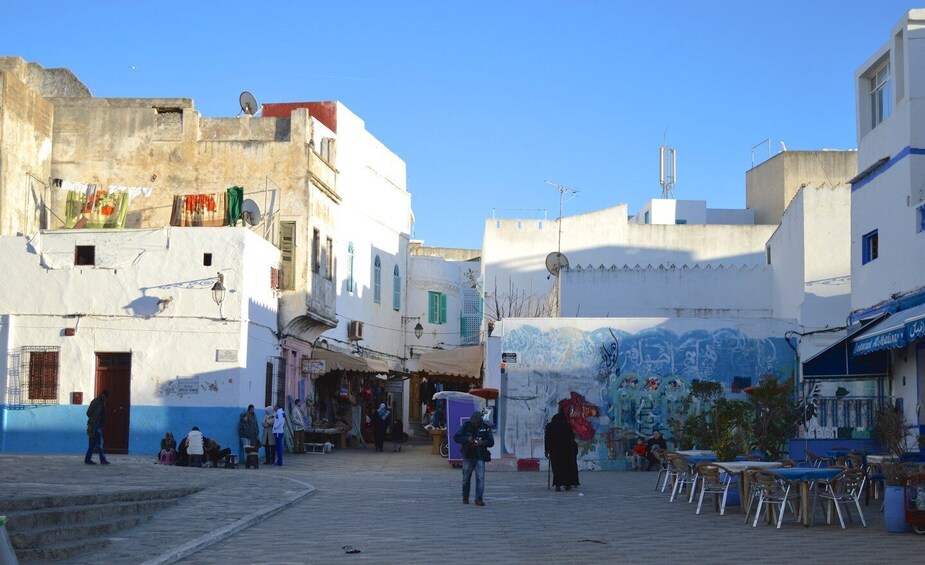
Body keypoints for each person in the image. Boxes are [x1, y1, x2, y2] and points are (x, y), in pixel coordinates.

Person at [454, 410, 494, 506]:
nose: (475, 424)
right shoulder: (466, 425)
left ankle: (479, 498)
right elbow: (456, 437)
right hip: (468, 455)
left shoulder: (485, 427)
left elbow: (491, 442)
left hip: (480, 456)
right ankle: (465, 496)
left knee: (480, 478)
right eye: (473, 422)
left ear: (480, 421)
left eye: (476, 422)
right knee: (466, 478)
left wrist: (482, 442)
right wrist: (467, 439)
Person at [544, 406, 580, 491]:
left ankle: (558, 485)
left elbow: (547, 439)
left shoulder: (550, 426)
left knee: (557, 468)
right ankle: (567, 484)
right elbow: (571, 437)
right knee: (566, 468)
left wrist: (547, 450)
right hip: (566, 450)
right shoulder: (567, 425)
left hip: (555, 450)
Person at [84, 390, 110, 465]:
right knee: (99, 443)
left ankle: (88, 459)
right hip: (94, 425)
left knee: (93, 444)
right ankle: (102, 459)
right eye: (105, 396)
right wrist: (93, 419)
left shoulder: (102, 402)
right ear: (102, 394)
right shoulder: (95, 401)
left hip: (99, 425)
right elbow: (88, 412)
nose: (105, 398)